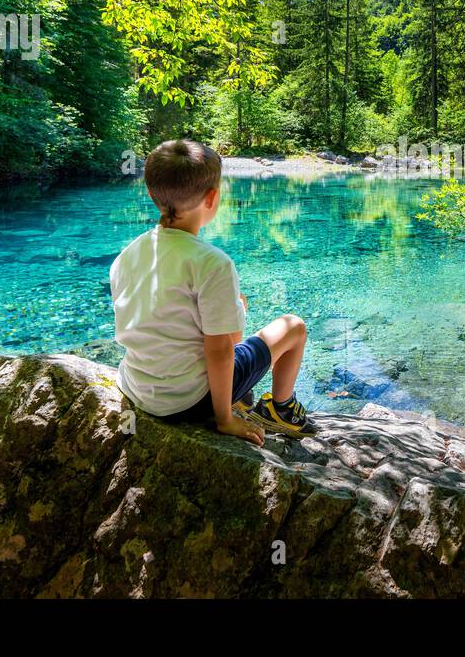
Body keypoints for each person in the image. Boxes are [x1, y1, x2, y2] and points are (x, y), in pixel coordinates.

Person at [109, 139, 317, 442]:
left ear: (152, 194)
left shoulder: (128, 254)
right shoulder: (212, 263)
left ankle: (243, 396)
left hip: (137, 389)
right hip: (189, 402)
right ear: (212, 198)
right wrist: (225, 419)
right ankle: (280, 409)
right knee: (294, 327)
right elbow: (221, 351)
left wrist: (233, 308)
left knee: (233, 313)